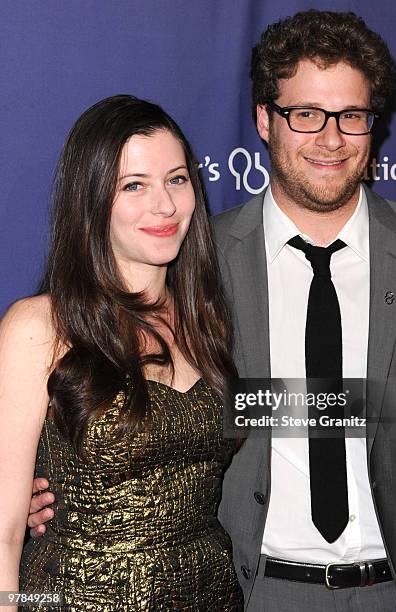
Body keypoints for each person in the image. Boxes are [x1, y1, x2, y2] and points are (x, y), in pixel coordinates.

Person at [29, 9, 396, 612]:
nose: (331, 138)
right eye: (305, 114)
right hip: (251, 591)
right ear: (265, 120)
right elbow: (115, 387)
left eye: (352, 116)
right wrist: (50, 486)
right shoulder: (193, 259)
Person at [1, 95, 243, 610]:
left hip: (212, 596)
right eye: (134, 186)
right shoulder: (40, 326)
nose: (165, 205)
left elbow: (282, 412)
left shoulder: (210, 319)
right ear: (91, 200)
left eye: (177, 180)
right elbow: (2, 535)